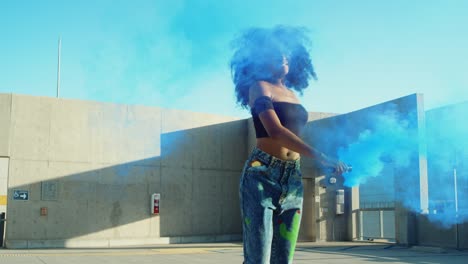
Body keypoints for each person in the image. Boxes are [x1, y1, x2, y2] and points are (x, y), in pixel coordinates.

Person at [230, 25, 349, 264]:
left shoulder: (293, 94)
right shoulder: (259, 87)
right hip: (261, 174)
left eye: (285, 53)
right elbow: (275, 131)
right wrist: (323, 157)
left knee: (284, 259)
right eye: (274, 53)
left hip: (293, 178)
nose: (283, 56)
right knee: (259, 259)